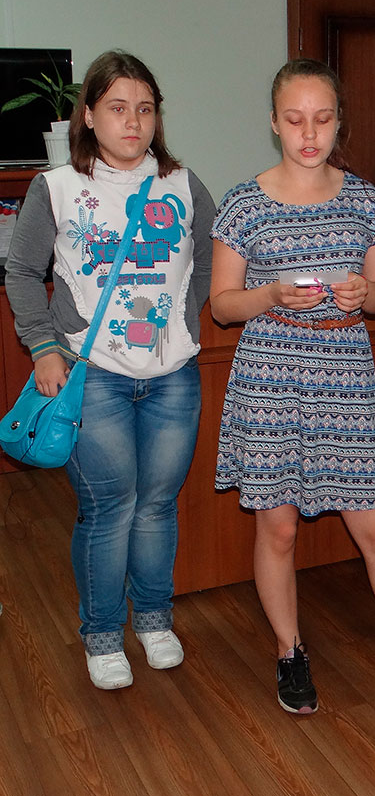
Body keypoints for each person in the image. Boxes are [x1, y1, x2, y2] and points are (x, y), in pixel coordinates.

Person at [210, 58, 375, 715]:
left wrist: (365, 293)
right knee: (277, 530)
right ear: (274, 122)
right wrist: (270, 294)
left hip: (345, 380)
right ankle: (289, 650)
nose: (310, 133)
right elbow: (221, 305)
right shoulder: (243, 203)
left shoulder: (363, 200)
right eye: (295, 119)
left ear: (338, 123)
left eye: (323, 119)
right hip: (270, 378)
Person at [5, 51, 214, 690]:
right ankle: (101, 632)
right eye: (118, 108)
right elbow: (22, 272)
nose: (133, 121)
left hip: (173, 375)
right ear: (90, 115)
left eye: (145, 109)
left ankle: (152, 619)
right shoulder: (57, 186)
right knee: (109, 507)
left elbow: (207, 262)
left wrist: (185, 323)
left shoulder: (185, 185)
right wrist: (43, 346)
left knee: (157, 505)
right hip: (90, 373)